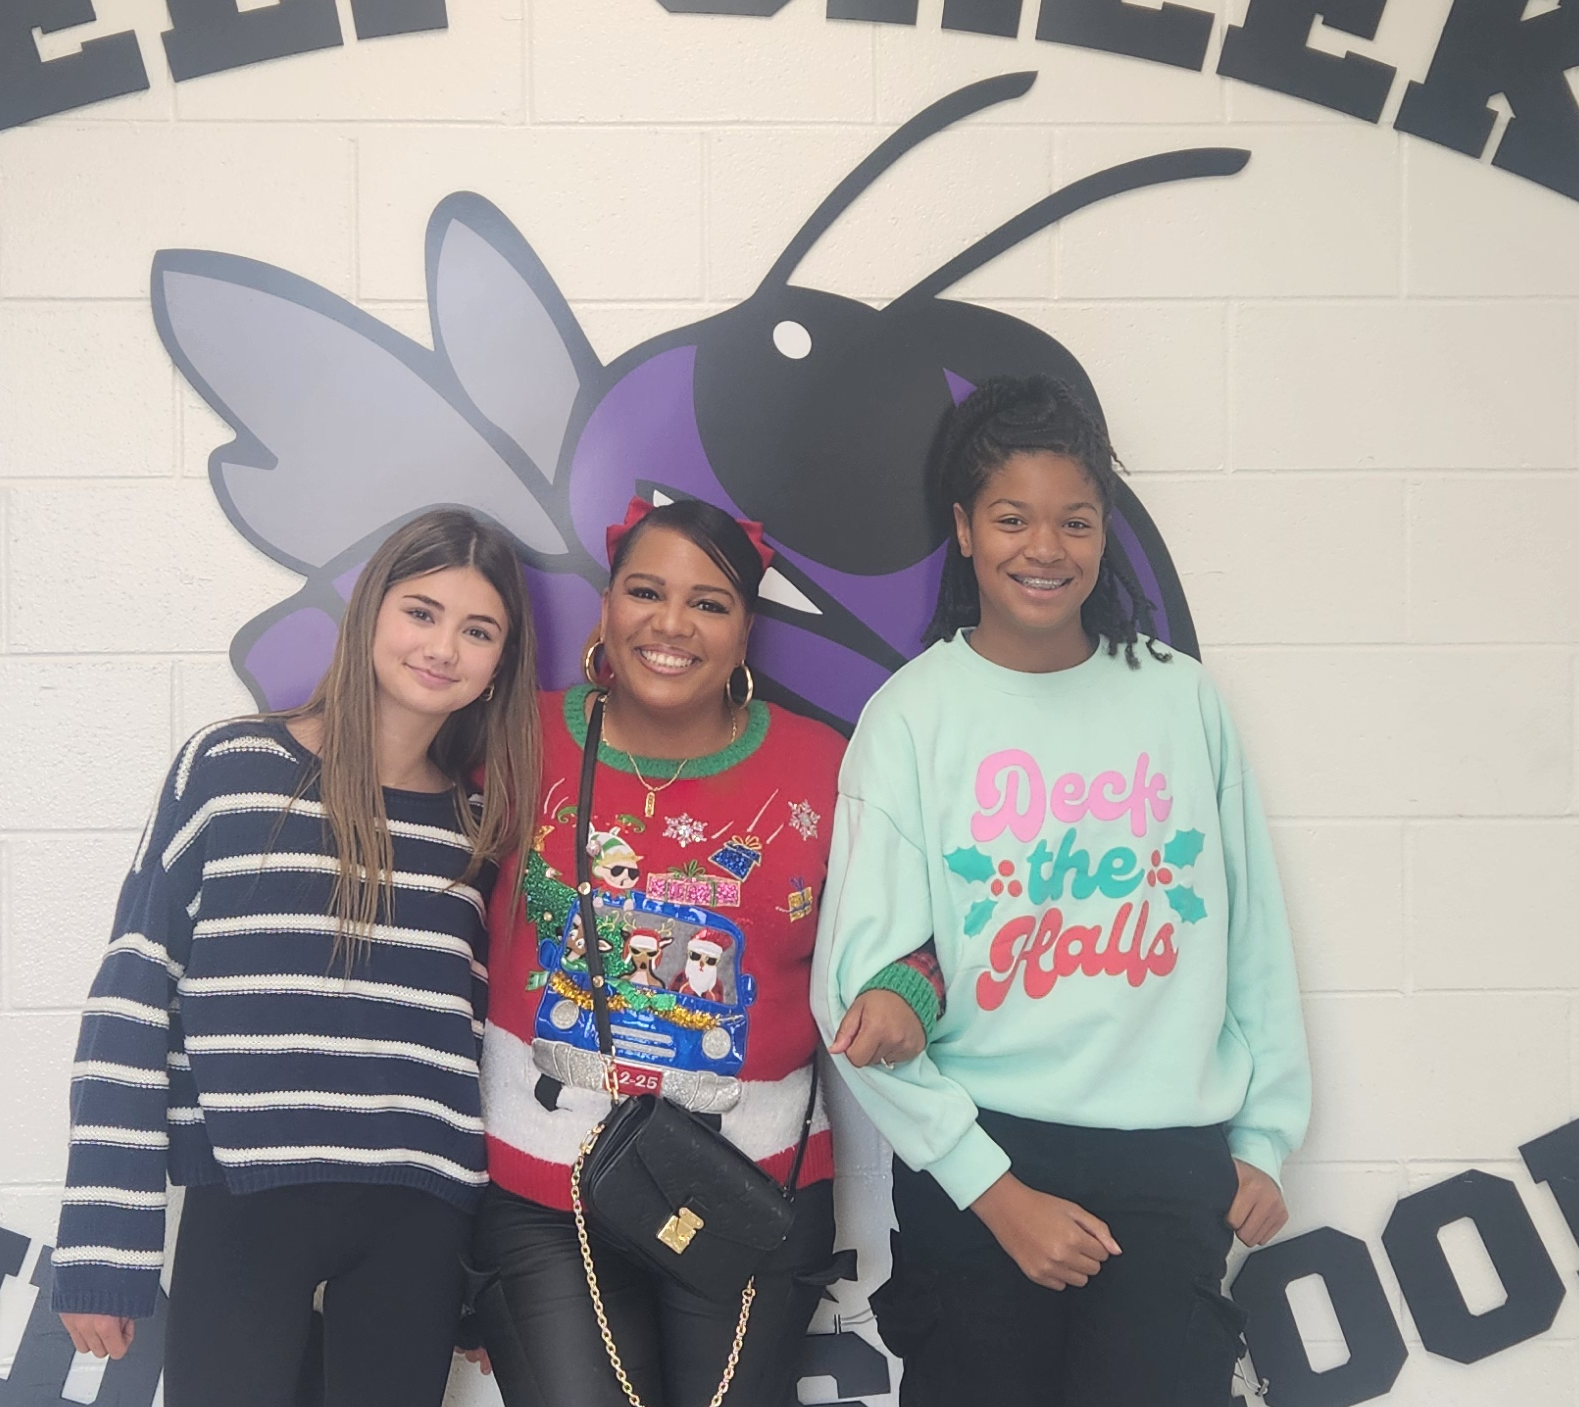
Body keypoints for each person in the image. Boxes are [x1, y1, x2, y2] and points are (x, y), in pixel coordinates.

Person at [815, 376, 1311, 1407]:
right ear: (961, 529)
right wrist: (993, 1195)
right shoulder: (910, 720)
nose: (1044, 547)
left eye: (1073, 521)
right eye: (1010, 518)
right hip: (983, 1152)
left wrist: (1261, 1137)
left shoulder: (1178, 700)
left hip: (1169, 1161)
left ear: (1102, 534)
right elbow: (854, 994)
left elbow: (1250, 933)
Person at [50, 508, 541, 1407]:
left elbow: (480, 1056)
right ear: (370, 613)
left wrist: (488, 1276)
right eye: (422, 611)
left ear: (500, 663)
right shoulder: (230, 769)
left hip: (417, 1223)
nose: (443, 647)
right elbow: (132, 993)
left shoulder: (479, 834)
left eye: (479, 630)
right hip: (246, 1196)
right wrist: (104, 1240)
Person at [467, 497, 943, 1407]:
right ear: (607, 608)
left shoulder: (826, 769)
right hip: (543, 1194)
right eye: (646, 591)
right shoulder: (513, 739)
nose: (672, 624)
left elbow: (927, 937)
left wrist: (904, 994)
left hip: (747, 1194)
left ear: (745, 631)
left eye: (710, 603)